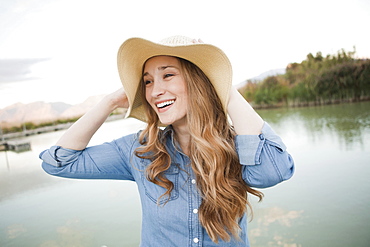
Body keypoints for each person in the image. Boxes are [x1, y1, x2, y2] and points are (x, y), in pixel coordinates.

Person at [40, 36, 294, 246]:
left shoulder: (239, 145)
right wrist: (110, 102)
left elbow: (273, 172)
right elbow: (59, 162)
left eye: (168, 75)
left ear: (198, 82)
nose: (154, 91)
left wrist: (224, 88)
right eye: (148, 81)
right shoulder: (140, 150)